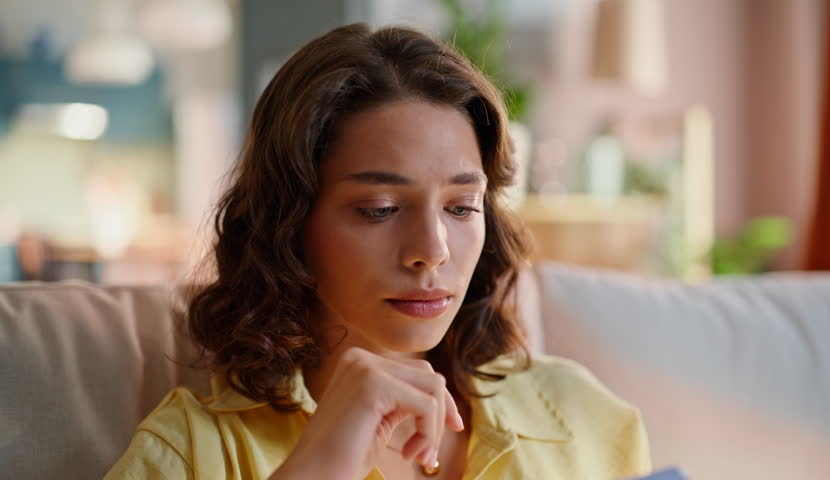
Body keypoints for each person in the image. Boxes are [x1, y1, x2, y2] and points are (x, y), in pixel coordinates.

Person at [105, 23, 652, 480]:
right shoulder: (188, 452)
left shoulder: (584, 414)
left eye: (462, 208)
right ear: (288, 221)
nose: (431, 251)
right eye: (381, 208)